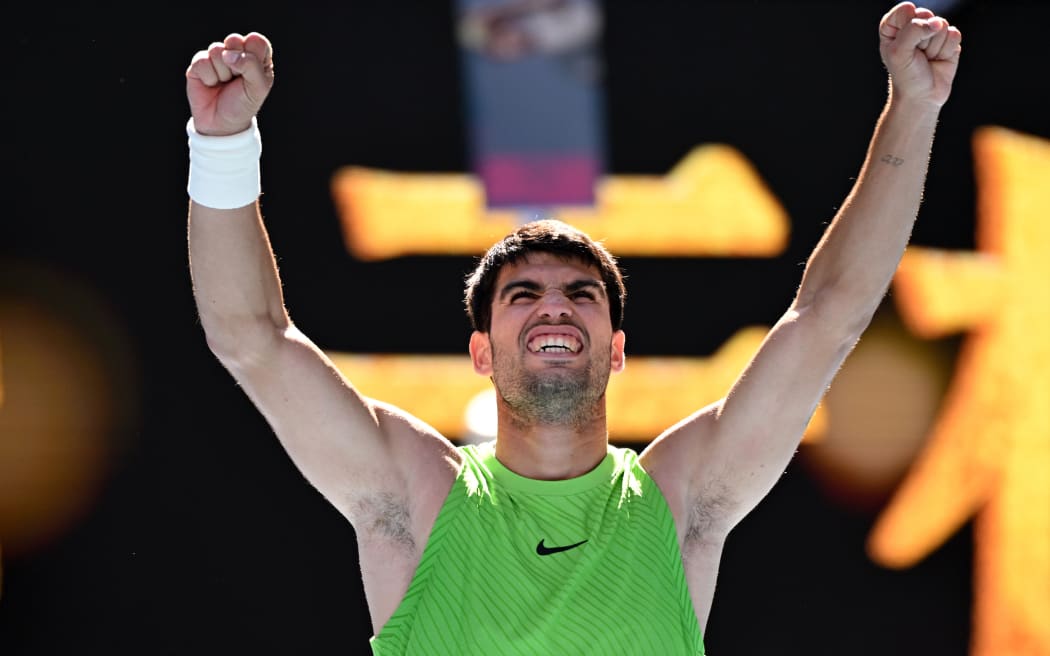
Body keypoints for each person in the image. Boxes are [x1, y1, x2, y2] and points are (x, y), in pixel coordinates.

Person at [183, 3, 961, 654]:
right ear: (480, 351)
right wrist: (221, 144)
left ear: (617, 350)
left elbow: (829, 317)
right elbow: (251, 338)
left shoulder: (679, 500)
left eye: (582, 294)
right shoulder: (413, 497)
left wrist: (914, 108)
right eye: (522, 295)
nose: (554, 306)